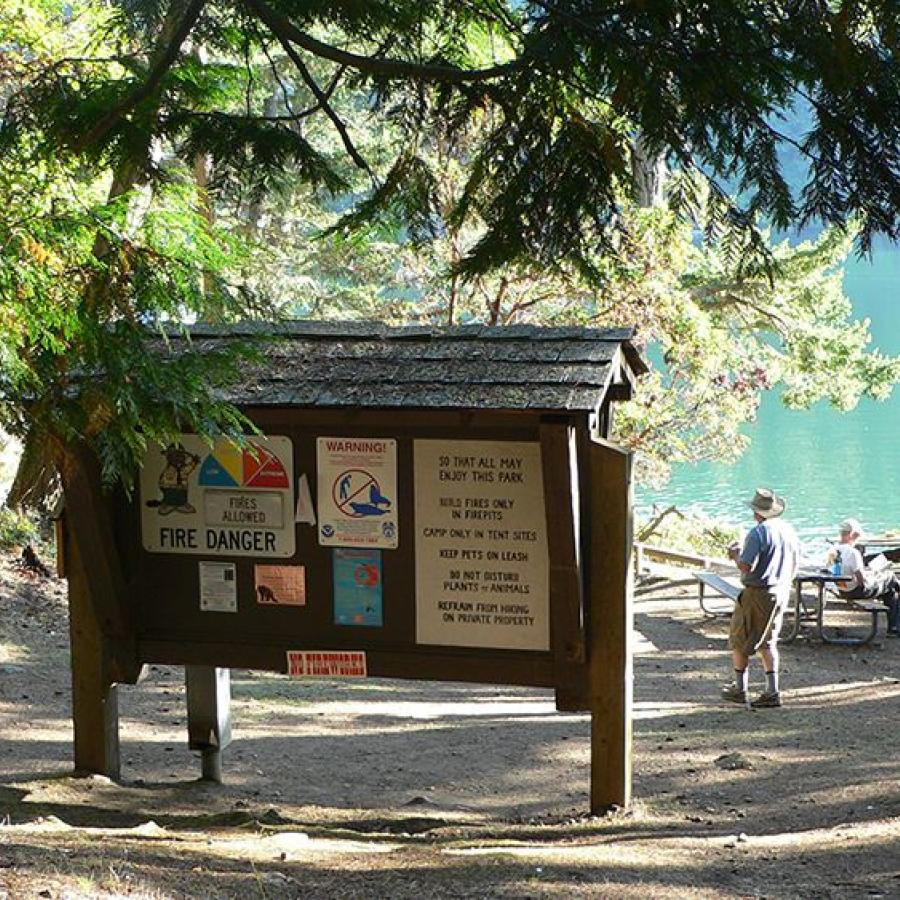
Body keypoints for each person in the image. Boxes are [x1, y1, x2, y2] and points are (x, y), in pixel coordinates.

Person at [722, 488, 800, 709]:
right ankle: (772, 690)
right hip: (781, 591)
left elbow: (747, 566)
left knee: (739, 638)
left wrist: (735, 555)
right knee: (768, 641)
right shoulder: (789, 531)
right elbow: (795, 564)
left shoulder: (758, 533)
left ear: (757, 512)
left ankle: (740, 688)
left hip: (758, 592)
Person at [828, 519, 900, 637]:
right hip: (857, 591)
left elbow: (836, 571)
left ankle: (894, 627)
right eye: (857, 536)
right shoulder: (853, 553)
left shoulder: (833, 550)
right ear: (852, 534)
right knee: (890, 577)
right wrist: (872, 575)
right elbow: (862, 582)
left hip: (842, 589)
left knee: (891, 592)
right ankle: (893, 628)